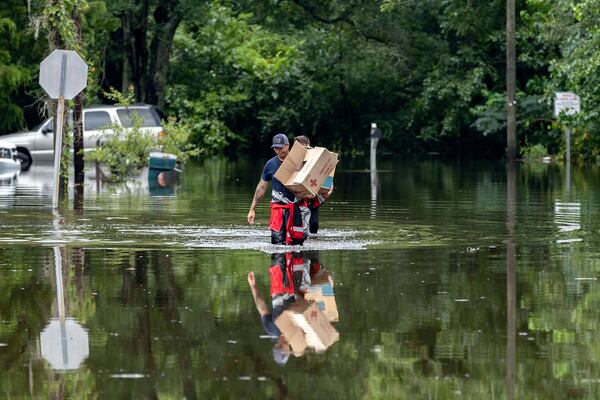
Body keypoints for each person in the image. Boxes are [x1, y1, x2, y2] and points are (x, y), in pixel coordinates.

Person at [247, 133, 307, 245]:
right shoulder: (270, 164)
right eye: (275, 147)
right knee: (277, 244)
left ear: (288, 145)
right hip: (277, 209)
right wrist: (252, 209)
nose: (278, 150)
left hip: (296, 207)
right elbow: (261, 188)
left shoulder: (299, 161)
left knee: (297, 242)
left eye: (281, 147)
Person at [247, 253, 306, 365]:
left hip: (278, 288)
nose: (280, 345)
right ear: (288, 350)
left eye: (277, 347)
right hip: (296, 287)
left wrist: (253, 286)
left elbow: (262, 308)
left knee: (278, 252)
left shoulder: (272, 329)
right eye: (282, 348)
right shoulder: (298, 333)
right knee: (298, 250)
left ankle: (278, 236)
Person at [293, 135, 333, 234]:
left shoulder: (317, 159)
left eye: (298, 146)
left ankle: (312, 244)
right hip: (300, 198)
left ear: (306, 145)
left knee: (314, 226)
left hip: (314, 198)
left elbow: (329, 178)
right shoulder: (293, 160)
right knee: (298, 225)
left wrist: (329, 191)